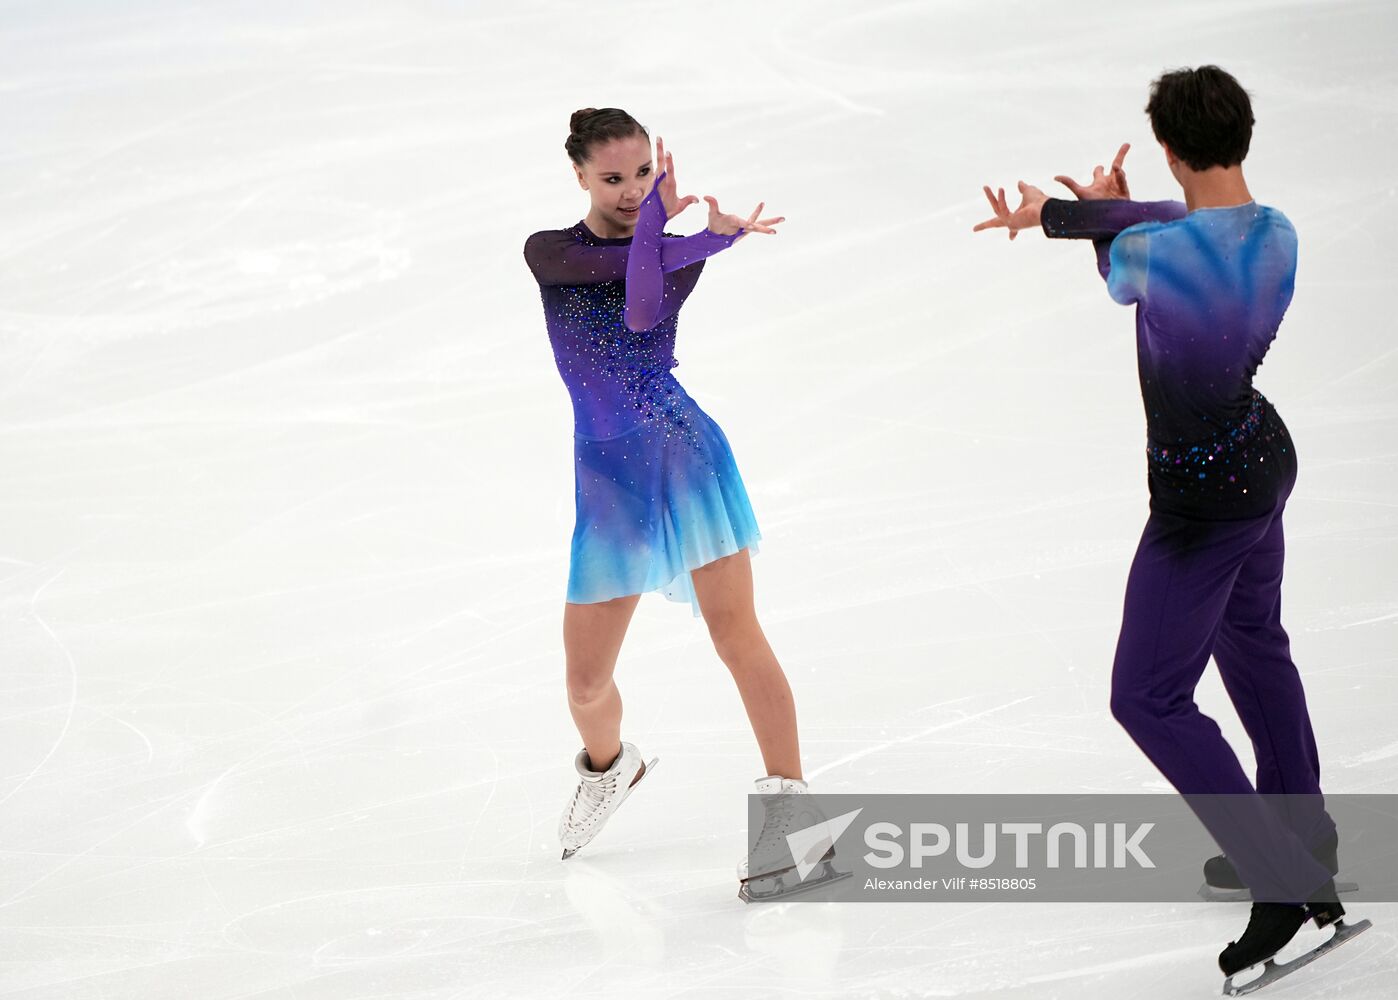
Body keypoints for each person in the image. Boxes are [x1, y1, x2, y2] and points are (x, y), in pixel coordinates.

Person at [973, 66, 1368, 989]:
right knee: (1255, 642)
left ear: (1168, 149)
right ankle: (1305, 836)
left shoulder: (1157, 250)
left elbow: (1123, 272)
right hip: (1263, 462)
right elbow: (1183, 215)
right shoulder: (1277, 230)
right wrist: (1095, 212)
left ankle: (1280, 879)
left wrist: (1069, 219)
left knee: (1146, 696)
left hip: (1200, 500)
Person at [523, 108, 810, 888]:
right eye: (612, 177)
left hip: (682, 457)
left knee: (736, 636)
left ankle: (796, 831)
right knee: (585, 683)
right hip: (609, 481)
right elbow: (619, 274)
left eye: (642, 173)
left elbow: (645, 306)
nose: (629, 190)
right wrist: (696, 233)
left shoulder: (673, 253)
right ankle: (611, 768)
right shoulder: (549, 252)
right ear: (579, 174)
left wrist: (695, 237)